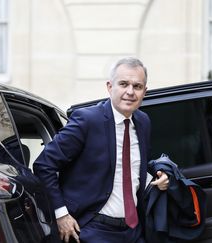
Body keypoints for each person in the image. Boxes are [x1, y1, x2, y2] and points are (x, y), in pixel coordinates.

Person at [33, 57, 169, 243]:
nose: (130, 92)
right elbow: (44, 165)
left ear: (144, 91)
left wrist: (157, 176)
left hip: (134, 230)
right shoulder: (88, 120)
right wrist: (61, 214)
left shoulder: (143, 122)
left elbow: (133, 168)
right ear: (109, 86)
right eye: (123, 84)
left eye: (137, 86)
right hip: (93, 229)